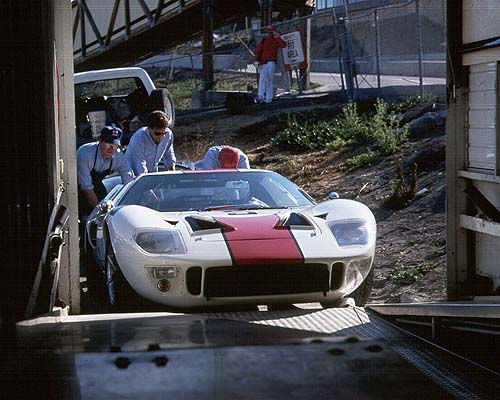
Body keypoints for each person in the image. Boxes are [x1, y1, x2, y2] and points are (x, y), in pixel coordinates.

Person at [77, 126, 134, 218]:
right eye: (108, 143)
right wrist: (100, 212)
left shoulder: (119, 155)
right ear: (100, 141)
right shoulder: (85, 153)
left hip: (96, 185)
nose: (111, 149)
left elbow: (129, 180)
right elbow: (86, 187)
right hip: (78, 188)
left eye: (115, 145)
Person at [126, 110, 176, 175]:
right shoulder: (139, 137)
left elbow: (169, 154)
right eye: (157, 133)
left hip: (151, 172)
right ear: (149, 129)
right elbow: (139, 164)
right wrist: (146, 181)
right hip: (131, 174)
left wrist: (172, 171)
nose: (161, 136)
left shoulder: (168, 134)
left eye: (164, 133)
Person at [254, 25, 286, 104]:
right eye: (269, 31)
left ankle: (268, 98)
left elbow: (283, 45)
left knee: (268, 79)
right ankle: (261, 96)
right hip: (263, 63)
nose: (270, 33)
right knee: (262, 79)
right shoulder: (264, 40)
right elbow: (258, 50)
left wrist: (278, 37)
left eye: (271, 31)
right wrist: (256, 60)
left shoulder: (276, 40)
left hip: (271, 62)